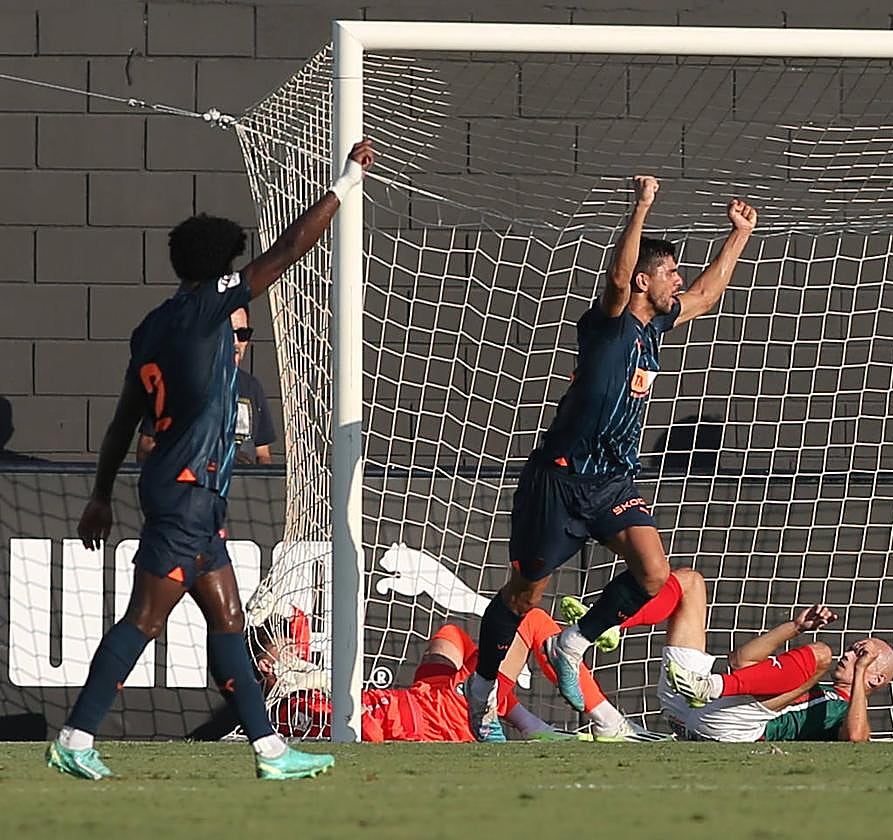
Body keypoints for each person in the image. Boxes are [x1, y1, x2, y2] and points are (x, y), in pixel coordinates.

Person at [48, 139, 376, 782]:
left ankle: (271, 751)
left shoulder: (154, 325)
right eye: (231, 264)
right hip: (188, 492)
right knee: (143, 619)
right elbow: (287, 250)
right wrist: (346, 183)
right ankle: (75, 734)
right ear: (216, 271)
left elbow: (121, 420)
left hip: (182, 492)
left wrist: (99, 493)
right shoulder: (206, 309)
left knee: (228, 618)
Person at [465, 175, 758, 740]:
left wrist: (737, 237)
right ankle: (482, 688)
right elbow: (620, 276)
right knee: (526, 593)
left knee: (653, 572)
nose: (678, 279)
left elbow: (706, 294)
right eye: (669, 271)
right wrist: (641, 207)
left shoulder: (657, 328)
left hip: (613, 482)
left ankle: (572, 642)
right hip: (558, 480)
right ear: (646, 280)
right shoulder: (610, 324)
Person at [196, 607, 656, 743]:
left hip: (425, 698)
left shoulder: (284, 699)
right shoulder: (286, 706)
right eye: (284, 647)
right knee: (532, 620)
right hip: (445, 715)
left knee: (452, 633)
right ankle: (608, 722)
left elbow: (296, 664)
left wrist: (290, 665)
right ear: (262, 665)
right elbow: (296, 679)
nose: (297, 649)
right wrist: (291, 674)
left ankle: (522, 723)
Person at [592, 568, 893, 742]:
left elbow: (857, 739)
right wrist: (794, 626)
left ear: (876, 676)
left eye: (860, 654)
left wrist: (859, 676)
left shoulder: (845, 711)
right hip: (688, 708)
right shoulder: (813, 686)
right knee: (691, 582)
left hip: (729, 727)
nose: (849, 654)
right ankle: (608, 625)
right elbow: (740, 661)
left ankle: (712, 686)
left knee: (821, 653)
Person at [136, 305, 276, 465]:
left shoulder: (251, 387)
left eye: (243, 334)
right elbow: (145, 449)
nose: (236, 342)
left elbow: (263, 454)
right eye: (229, 333)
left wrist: (256, 476)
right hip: (193, 487)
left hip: (242, 487)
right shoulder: (176, 384)